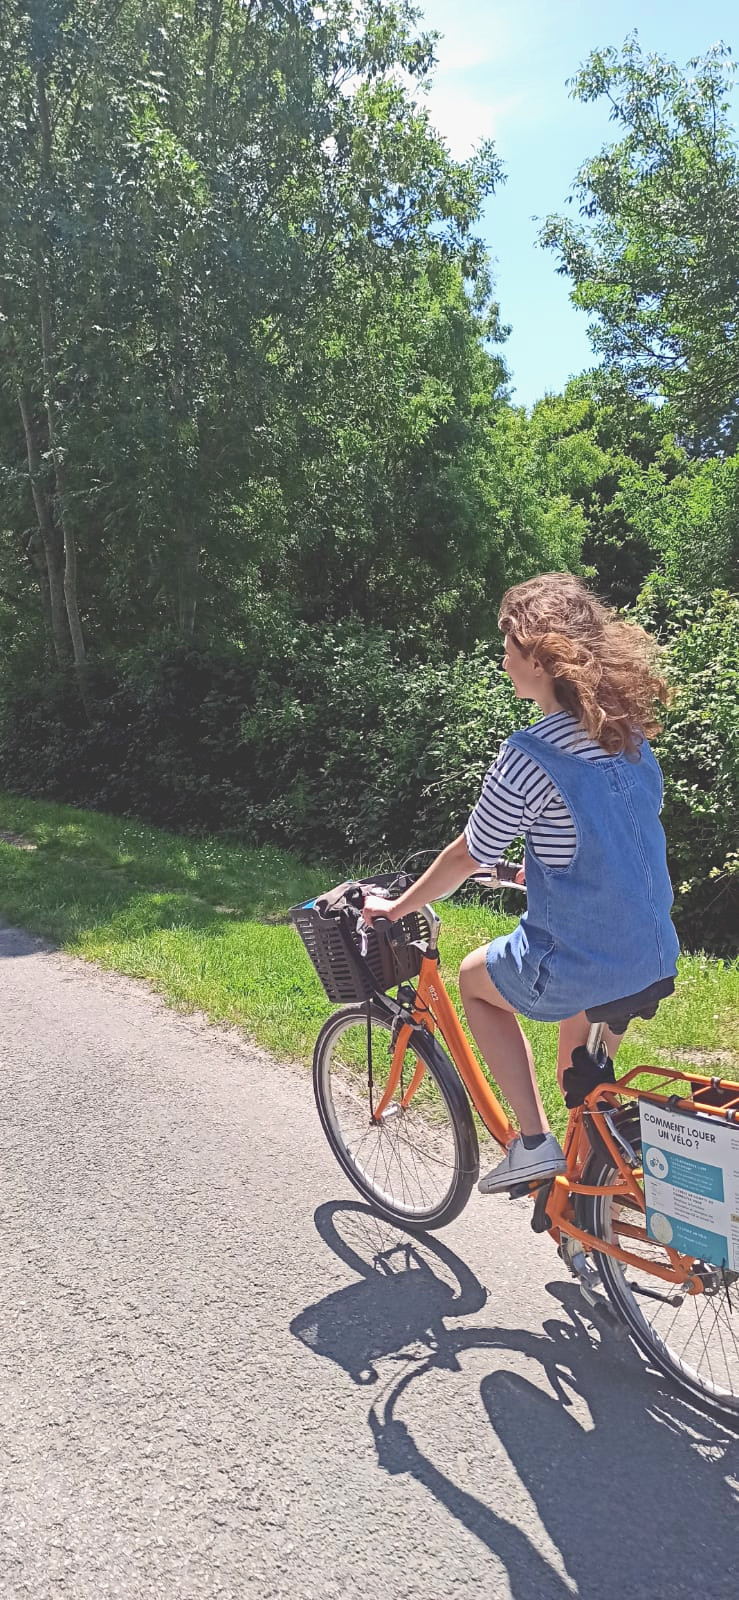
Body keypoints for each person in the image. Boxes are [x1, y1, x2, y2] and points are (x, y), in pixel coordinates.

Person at [362, 572, 679, 1194]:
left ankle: (532, 1144)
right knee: (580, 1078)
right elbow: (615, 844)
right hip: (651, 953)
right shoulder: (630, 737)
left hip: (582, 962)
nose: (503, 659)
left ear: (542, 657)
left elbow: (467, 855)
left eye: (510, 646)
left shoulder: (531, 753)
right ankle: (586, 1214)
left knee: (475, 982)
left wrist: (398, 906)